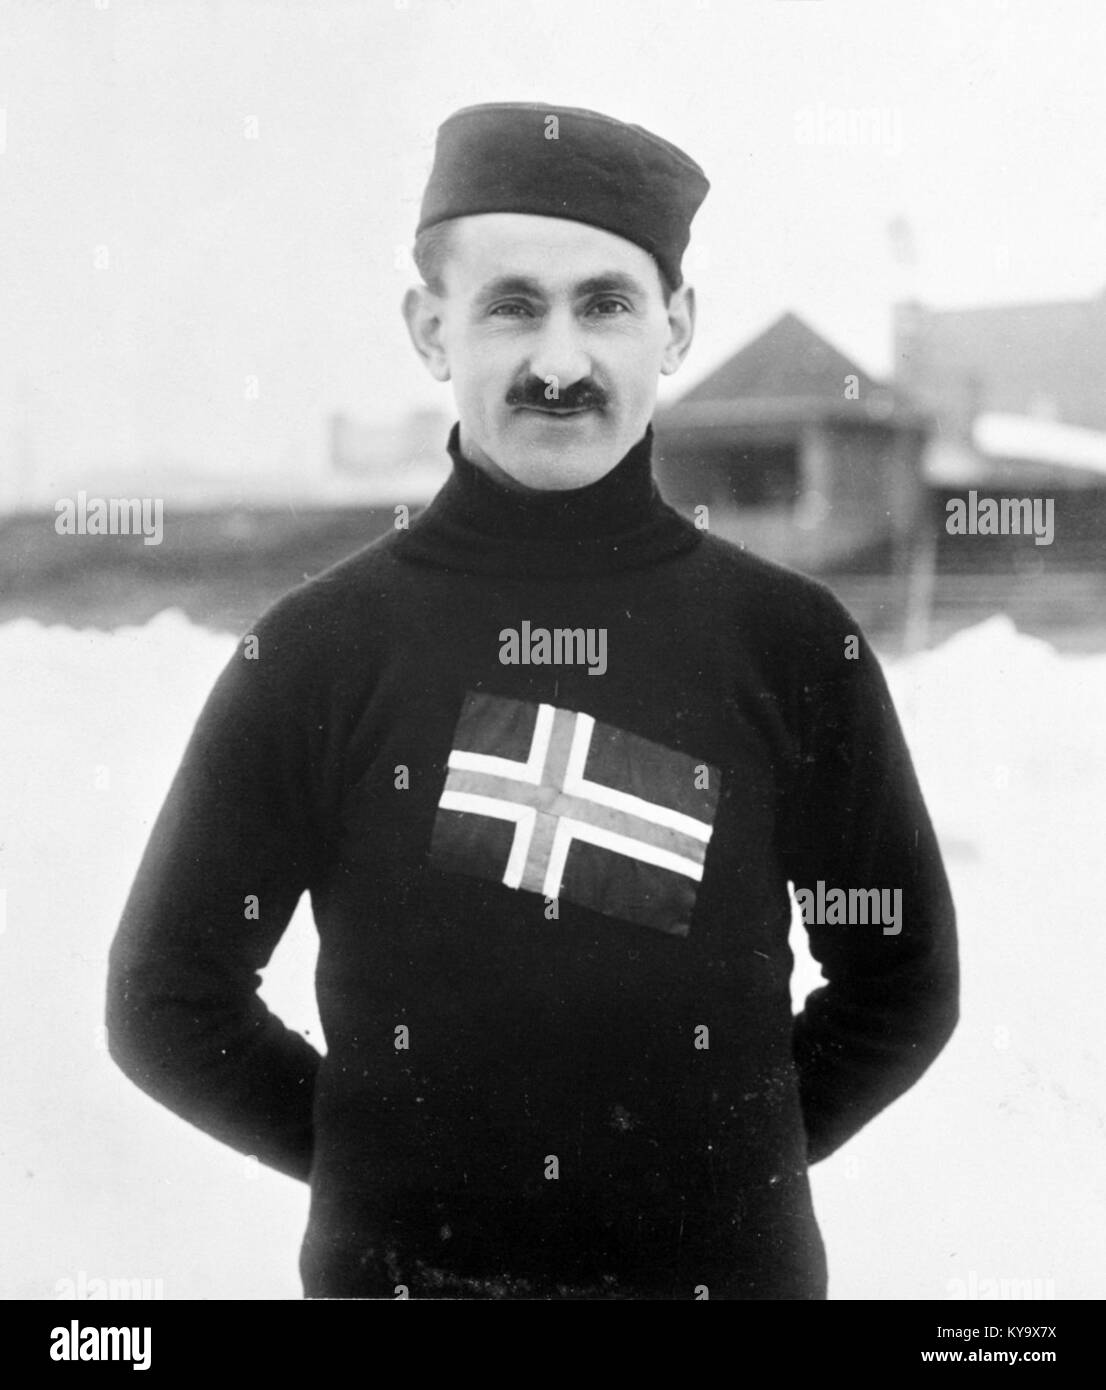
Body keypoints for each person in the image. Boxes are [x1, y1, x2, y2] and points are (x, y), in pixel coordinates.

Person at [107, 101, 959, 1300]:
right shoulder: (314, 653)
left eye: (605, 303)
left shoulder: (788, 641)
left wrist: (716, 1179)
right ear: (428, 327)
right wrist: (391, 1184)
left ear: (675, 327)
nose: (559, 363)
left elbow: (899, 983)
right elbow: (164, 1000)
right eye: (511, 304)